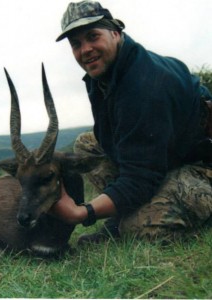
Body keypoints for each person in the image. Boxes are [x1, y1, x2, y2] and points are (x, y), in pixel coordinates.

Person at [50, 0, 212, 243]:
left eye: (93, 36)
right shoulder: (104, 74)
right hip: (167, 154)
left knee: (135, 229)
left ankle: (199, 204)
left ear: (116, 33)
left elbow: (140, 176)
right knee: (86, 146)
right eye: (76, 44)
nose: (85, 50)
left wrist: (84, 213)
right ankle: (133, 206)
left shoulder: (145, 84)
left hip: (202, 164)